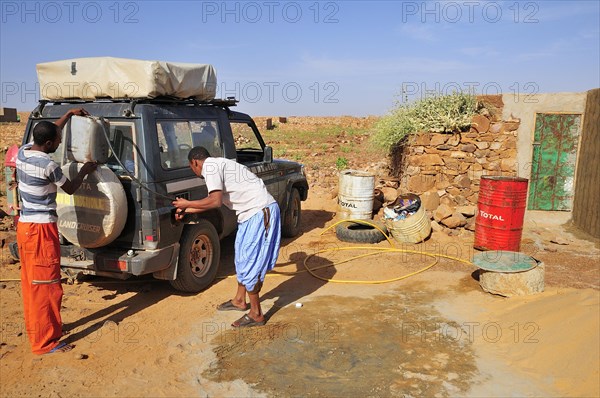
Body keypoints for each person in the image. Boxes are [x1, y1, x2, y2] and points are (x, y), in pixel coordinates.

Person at [16, 109, 97, 354]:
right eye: (59, 140)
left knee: (32, 283)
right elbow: (70, 188)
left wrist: (68, 114)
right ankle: (45, 343)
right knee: (47, 285)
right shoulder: (48, 165)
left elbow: (49, 129)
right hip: (41, 231)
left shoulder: (24, 152)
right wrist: (85, 170)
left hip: (24, 227)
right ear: (49, 143)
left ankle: (40, 329)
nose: (61, 142)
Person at [172, 146, 281, 328]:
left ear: (195, 162)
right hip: (249, 214)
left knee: (250, 262)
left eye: (192, 168)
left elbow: (214, 201)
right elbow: (217, 200)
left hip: (260, 212)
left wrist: (187, 203)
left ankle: (256, 314)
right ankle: (239, 300)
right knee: (241, 257)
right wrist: (187, 210)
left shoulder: (210, 167)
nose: (194, 172)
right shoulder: (219, 165)